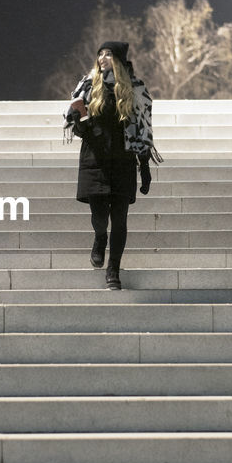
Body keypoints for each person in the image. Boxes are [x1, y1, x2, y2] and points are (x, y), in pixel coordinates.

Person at [63, 41, 160, 290]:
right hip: (94, 158)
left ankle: (113, 270)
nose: (103, 57)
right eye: (100, 54)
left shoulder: (135, 88)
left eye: (108, 54)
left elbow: (143, 128)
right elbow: (80, 126)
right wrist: (78, 119)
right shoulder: (87, 85)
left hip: (122, 161)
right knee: (98, 217)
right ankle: (99, 237)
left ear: (117, 60)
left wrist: (145, 165)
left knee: (119, 219)